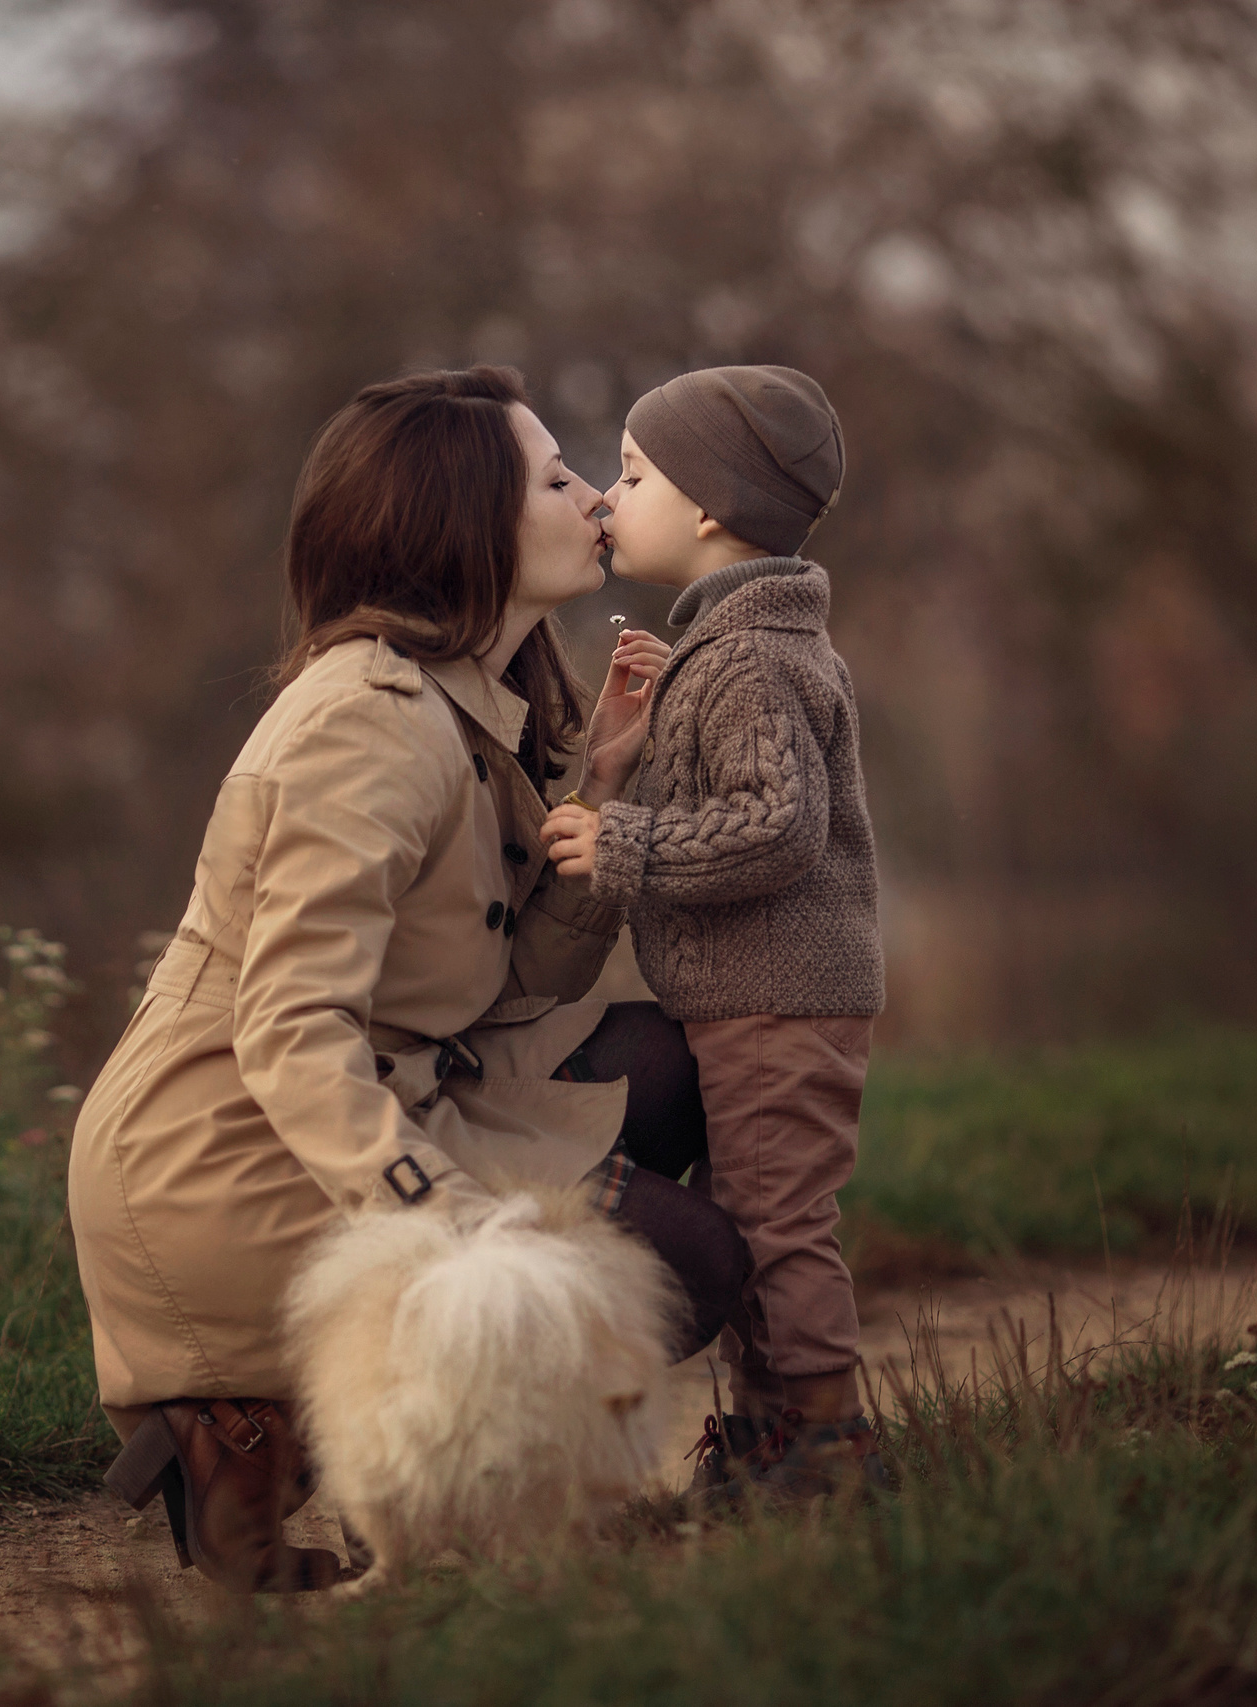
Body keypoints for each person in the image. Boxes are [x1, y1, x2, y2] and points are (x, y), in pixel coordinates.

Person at [69, 366, 751, 1591]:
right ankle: (265, 1416)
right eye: (556, 479)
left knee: (678, 1060)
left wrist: (599, 788)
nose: (596, 499)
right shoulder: (367, 720)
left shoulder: (456, 704)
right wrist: (447, 1217)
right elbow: (291, 1030)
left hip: (376, 1093)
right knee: (689, 1265)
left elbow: (508, 983)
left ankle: (295, 1424)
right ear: (462, 522)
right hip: (233, 1155)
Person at [540, 365, 888, 1503]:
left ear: (709, 509)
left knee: (776, 1221)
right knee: (753, 1214)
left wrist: (622, 840)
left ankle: (824, 1442)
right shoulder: (735, 646)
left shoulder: (746, 658)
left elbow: (776, 828)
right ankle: (766, 1433)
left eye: (634, 475)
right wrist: (647, 736)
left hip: (776, 998)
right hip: (756, 994)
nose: (608, 496)